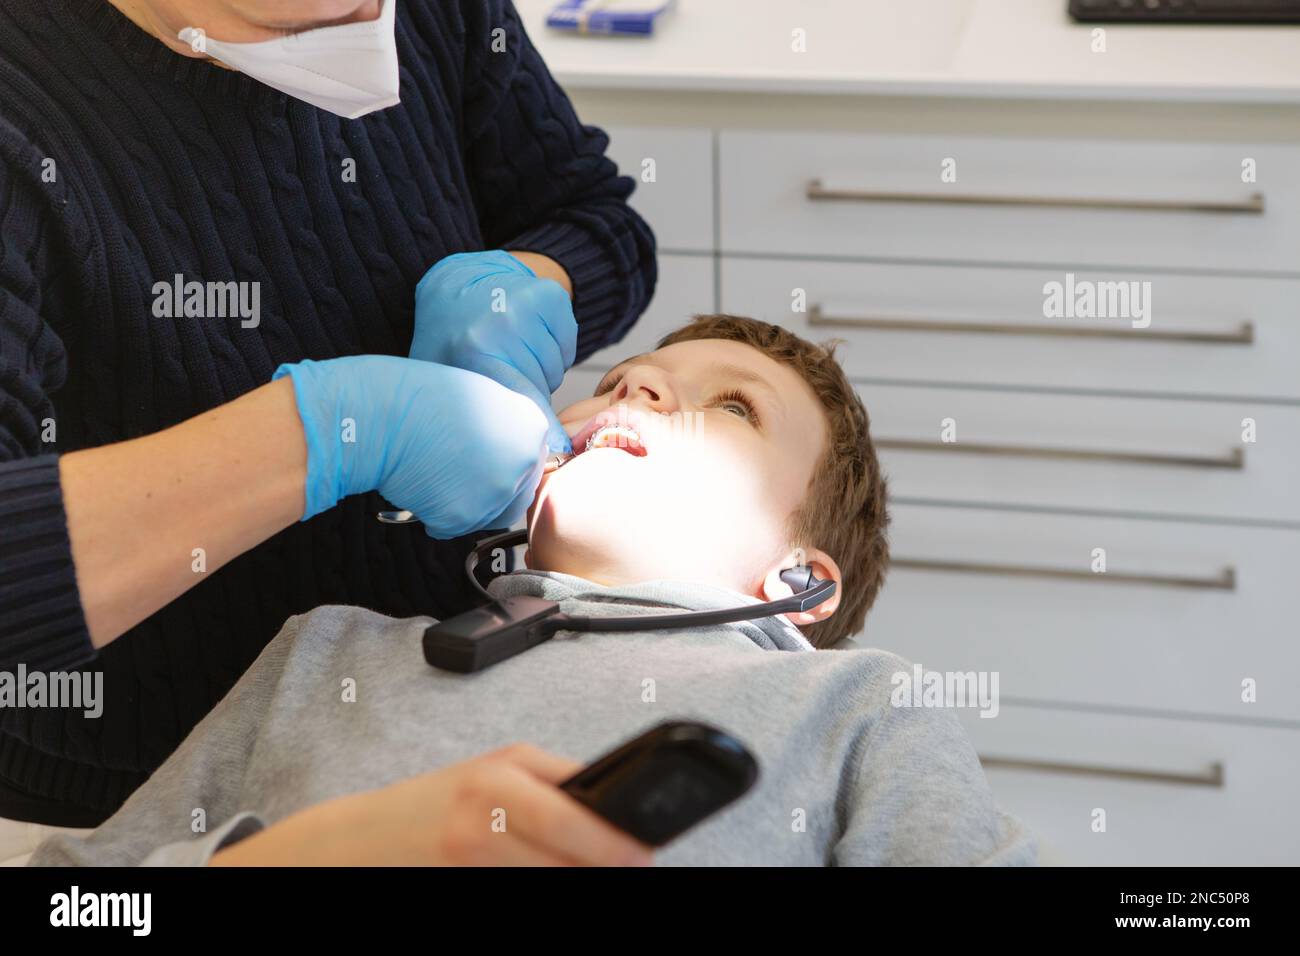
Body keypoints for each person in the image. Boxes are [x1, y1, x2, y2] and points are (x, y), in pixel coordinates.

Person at [30, 315, 1036, 866]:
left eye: (731, 405)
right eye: (622, 376)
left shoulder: (855, 706)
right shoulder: (326, 650)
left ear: (798, 579)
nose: (634, 386)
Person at [0, 0, 656, 828]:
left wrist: (525, 284)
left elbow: (597, 216)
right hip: (135, 801)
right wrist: (330, 429)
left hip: (430, 720)